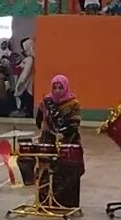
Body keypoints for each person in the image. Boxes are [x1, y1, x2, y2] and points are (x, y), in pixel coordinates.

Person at [34, 75, 84, 209]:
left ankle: (64, 204)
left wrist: (62, 135)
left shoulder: (74, 104)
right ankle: (46, 202)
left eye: (60, 87)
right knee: (45, 171)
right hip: (48, 140)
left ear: (66, 87)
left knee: (66, 173)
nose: (57, 91)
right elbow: (38, 122)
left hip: (69, 141)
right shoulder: (46, 102)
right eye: (54, 87)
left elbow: (74, 125)